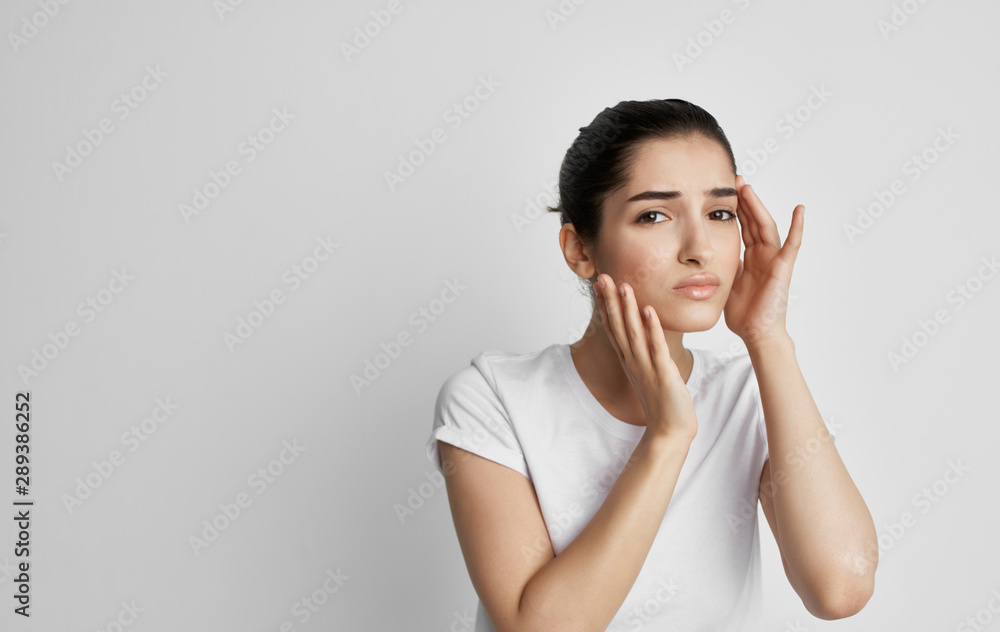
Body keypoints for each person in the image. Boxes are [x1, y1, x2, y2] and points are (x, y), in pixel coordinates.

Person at [425, 98, 878, 632]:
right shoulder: (493, 397)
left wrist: (768, 338)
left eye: (719, 213)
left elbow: (840, 589)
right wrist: (667, 436)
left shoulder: (747, 394)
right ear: (579, 250)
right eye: (654, 215)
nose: (700, 248)